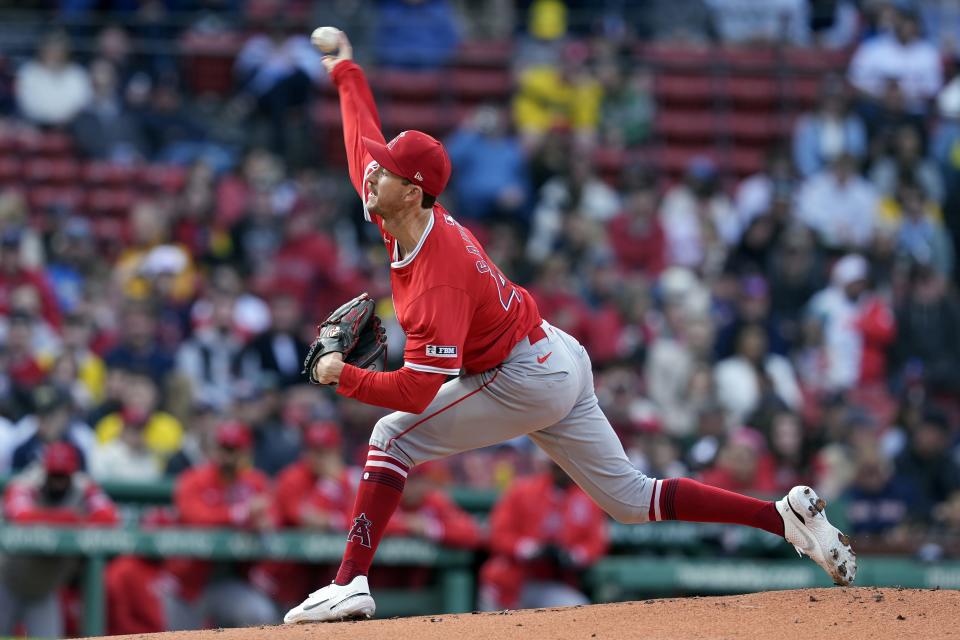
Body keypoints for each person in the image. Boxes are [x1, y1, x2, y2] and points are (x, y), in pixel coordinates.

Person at [283, 31, 857, 624]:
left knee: (391, 438)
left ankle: (349, 582)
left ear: (413, 190)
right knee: (633, 502)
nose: (372, 176)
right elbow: (361, 136)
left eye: (388, 173)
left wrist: (339, 374)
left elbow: (419, 390)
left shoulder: (439, 277)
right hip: (553, 355)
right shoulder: (396, 205)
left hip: (521, 375)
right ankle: (781, 517)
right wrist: (346, 70)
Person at [0, 442, 119, 639]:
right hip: (7, 582)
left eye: (63, 476)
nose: (58, 481)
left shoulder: (84, 486)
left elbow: (110, 516)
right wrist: (72, 518)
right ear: (45, 470)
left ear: (71, 473)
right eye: (54, 475)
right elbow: (22, 516)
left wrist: (51, 519)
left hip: (45, 590)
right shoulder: (26, 482)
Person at [479, 461, 607, 610]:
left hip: (552, 582)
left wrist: (573, 555)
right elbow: (497, 534)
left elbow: (596, 543)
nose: (563, 471)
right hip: (510, 578)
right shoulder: (523, 489)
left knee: (575, 607)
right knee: (494, 623)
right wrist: (528, 548)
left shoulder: (588, 497)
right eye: (558, 466)